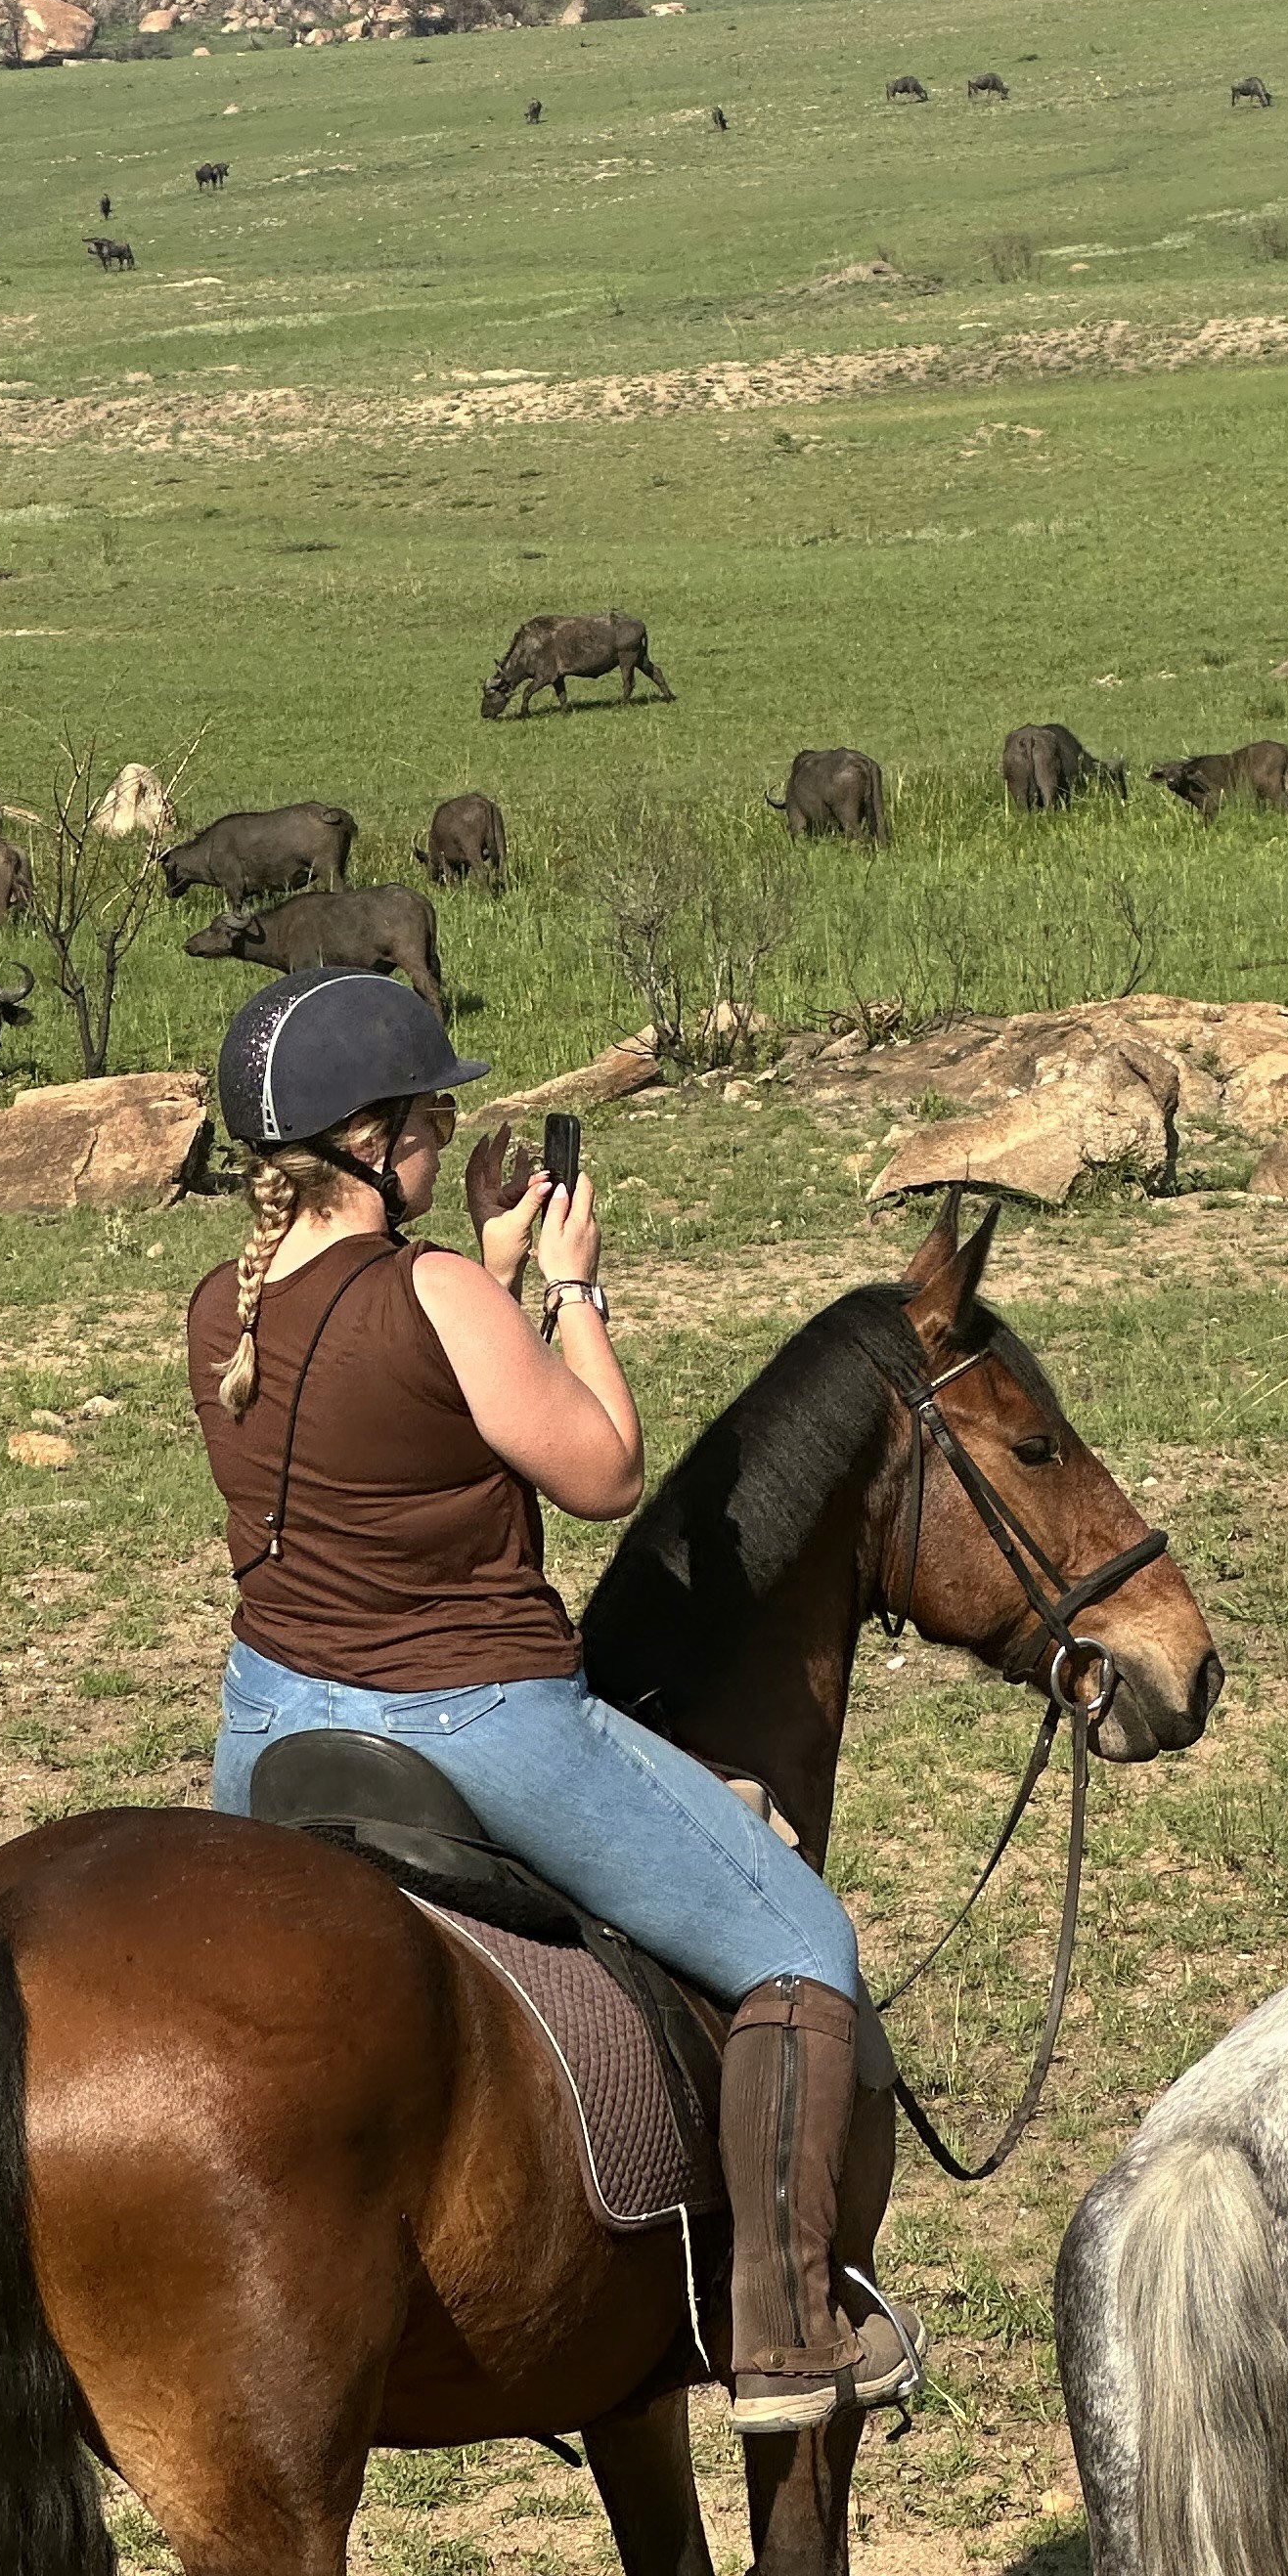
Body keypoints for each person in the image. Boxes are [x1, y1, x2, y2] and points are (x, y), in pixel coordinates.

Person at [187, 968, 892, 2435]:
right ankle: (786, 2330)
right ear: (371, 1140)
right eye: (431, 1112)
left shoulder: (222, 1307)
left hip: (272, 1727)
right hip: (468, 1716)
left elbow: (386, 1402)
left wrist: (482, 1274)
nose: (447, 1130)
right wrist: (568, 1290)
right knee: (800, 1938)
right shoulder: (436, 1293)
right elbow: (603, 1470)